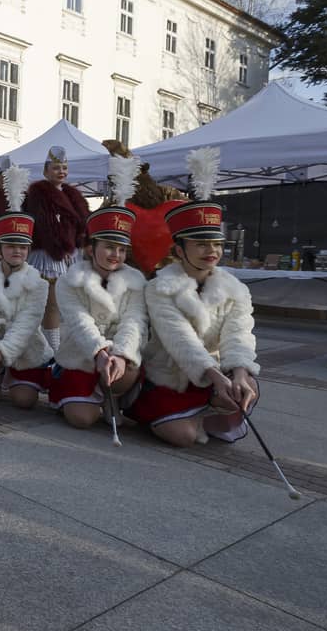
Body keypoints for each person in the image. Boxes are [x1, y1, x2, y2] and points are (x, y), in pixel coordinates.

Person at [129, 148, 259, 447]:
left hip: (214, 377)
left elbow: (239, 335)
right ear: (179, 250)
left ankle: (205, 410)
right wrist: (215, 377)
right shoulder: (159, 288)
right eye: (200, 244)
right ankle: (153, 410)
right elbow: (180, 340)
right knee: (184, 437)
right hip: (170, 376)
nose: (211, 251)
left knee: (247, 386)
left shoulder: (236, 289)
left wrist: (239, 372)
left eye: (216, 244)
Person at [49, 156, 147, 428]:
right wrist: (99, 352)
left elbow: (135, 322)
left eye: (122, 249)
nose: (116, 254)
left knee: (129, 369)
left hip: (117, 356)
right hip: (81, 356)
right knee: (82, 420)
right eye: (109, 247)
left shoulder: (136, 281)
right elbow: (80, 322)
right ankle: (81, 397)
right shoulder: (69, 281)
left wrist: (120, 355)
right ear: (91, 248)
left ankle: (111, 397)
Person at [0, 165, 53, 409]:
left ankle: (14, 376)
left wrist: (5, 349)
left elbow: (27, 324)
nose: (17, 251)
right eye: (10, 246)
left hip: (24, 349)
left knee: (23, 401)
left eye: (23, 247)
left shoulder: (38, 283)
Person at [24, 146, 90, 354]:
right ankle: (50, 349)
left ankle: (51, 348)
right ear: (46, 171)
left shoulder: (72, 195)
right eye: (56, 168)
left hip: (69, 256)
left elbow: (81, 225)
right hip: (48, 255)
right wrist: (61, 246)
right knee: (47, 304)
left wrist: (77, 243)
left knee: (60, 305)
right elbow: (43, 226)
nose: (61, 171)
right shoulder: (38, 194)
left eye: (64, 167)